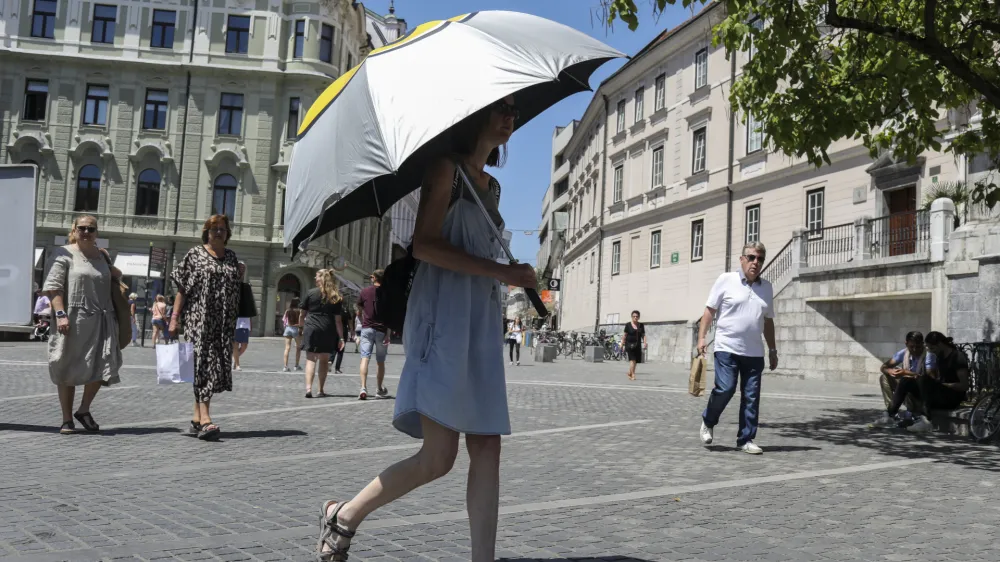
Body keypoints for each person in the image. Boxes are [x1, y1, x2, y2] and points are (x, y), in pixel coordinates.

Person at [314, 95, 536, 562]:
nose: (510, 117)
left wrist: (509, 271)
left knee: (487, 447)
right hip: (441, 318)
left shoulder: (490, 188)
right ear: (477, 116)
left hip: (478, 321)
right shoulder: (444, 170)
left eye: (515, 110)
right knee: (439, 458)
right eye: (502, 108)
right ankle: (344, 515)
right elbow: (426, 247)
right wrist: (501, 273)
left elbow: (480, 252)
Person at [43, 215, 123, 434]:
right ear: (74, 230)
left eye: (91, 229)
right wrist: (60, 314)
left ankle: (84, 409)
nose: (86, 232)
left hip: (102, 319)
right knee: (67, 366)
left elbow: (115, 276)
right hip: (72, 319)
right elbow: (53, 287)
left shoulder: (103, 255)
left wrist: (114, 272)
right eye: (82, 228)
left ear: (97, 232)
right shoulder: (64, 253)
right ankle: (67, 419)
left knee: (101, 365)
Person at [697, 242, 778, 455]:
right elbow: (709, 311)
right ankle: (708, 420)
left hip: (754, 352)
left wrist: (773, 350)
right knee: (726, 388)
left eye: (760, 259)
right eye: (751, 257)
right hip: (726, 347)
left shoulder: (767, 288)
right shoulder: (726, 280)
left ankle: (746, 439)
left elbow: (768, 322)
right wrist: (702, 338)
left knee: (751, 396)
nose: (755, 263)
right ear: (741, 259)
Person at [169, 215, 242, 441]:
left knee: (211, 366)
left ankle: (195, 418)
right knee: (203, 366)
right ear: (206, 232)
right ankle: (206, 420)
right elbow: (182, 288)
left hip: (222, 323)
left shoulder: (231, 257)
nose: (218, 233)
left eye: (221, 229)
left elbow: (236, 290)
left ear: (227, 233)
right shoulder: (195, 254)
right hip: (198, 320)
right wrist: (174, 318)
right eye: (213, 229)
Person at [869, 331, 948, 432]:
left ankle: (897, 414)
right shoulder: (903, 353)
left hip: (923, 393)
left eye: (918, 347)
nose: (915, 350)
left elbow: (929, 378)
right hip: (906, 388)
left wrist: (906, 373)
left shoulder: (929, 356)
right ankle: (890, 415)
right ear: (906, 344)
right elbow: (883, 367)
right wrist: (890, 371)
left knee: (906, 380)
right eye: (912, 347)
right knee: (884, 377)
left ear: (923, 344)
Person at [301, 269, 346, 398]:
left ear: (321, 278)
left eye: (316, 276)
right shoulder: (335, 296)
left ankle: (308, 389)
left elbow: (302, 313)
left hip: (311, 327)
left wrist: (301, 327)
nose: (315, 279)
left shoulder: (311, 293)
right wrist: (341, 337)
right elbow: (338, 320)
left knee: (311, 359)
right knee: (324, 361)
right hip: (328, 329)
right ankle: (320, 390)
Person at [355, 269, 391, 400]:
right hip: (382, 330)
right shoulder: (387, 293)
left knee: (365, 358)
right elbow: (390, 315)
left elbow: (358, 308)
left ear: (374, 278)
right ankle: (379, 389)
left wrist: (363, 314)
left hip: (367, 328)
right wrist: (388, 333)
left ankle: (363, 388)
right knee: (380, 361)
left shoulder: (365, 291)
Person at [622, 310, 647, 381]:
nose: (635, 317)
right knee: (632, 360)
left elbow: (643, 335)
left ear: (639, 317)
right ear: (631, 317)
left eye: (637, 316)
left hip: (637, 345)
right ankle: (633, 374)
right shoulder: (628, 325)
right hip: (629, 344)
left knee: (635, 361)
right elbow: (625, 335)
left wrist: (645, 343)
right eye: (634, 316)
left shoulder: (641, 325)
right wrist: (622, 344)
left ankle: (630, 372)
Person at [282, 298, 304, 372]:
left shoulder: (287, 311)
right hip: (296, 329)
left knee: (287, 348)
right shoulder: (300, 311)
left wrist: (286, 327)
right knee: (298, 348)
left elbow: (284, 321)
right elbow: (302, 321)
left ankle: (285, 366)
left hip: (288, 328)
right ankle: (296, 365)